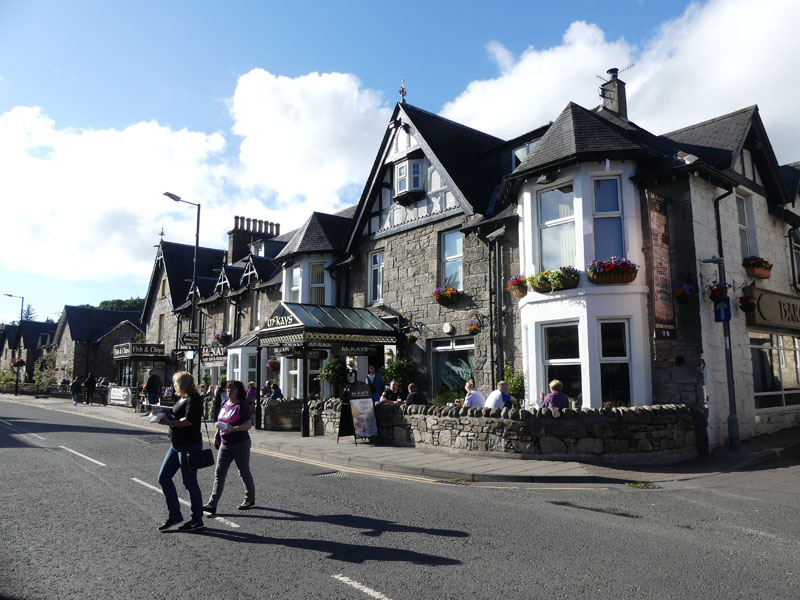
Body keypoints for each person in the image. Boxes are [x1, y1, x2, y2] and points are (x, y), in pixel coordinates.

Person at [155, 371, 205, 532]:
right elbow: (178, 413)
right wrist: (165, 413)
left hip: (189, 446)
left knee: (190, 483)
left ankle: (196, 520)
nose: (174, 385)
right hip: (176, 445)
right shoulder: (183, 398)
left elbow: (188, 420)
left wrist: (170, 422)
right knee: (163, 477)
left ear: (182, 384)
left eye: (175, 382)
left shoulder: (193, 399)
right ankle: (175, 515)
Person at [203, 380, 256, 514]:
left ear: (238, 390)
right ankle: (212, 504)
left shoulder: (241, 406)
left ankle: (249, 499)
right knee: (219, 473)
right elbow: (221, 422)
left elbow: (248, 425)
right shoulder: (225, 404)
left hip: (240, 443)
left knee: (243, 471)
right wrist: (216, 435)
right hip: (225, 444)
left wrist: (235, 429)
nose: (228, 390)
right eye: (227, 388)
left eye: (231, 388)